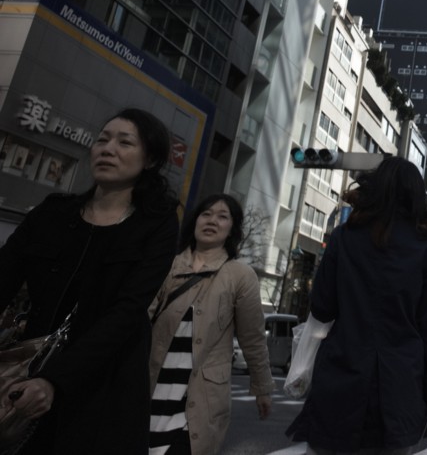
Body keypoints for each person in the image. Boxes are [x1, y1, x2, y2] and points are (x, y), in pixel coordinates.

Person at [0, 108, 179, 453]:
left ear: (150, 159)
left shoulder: (156, 225)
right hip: (28, 375)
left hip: (106, 386)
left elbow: (127, 311)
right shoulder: (53, 212)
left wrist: (55, 382)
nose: (107, 149)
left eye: (124, 143)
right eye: (102, 139)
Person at [286, 156, 427, 454]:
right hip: (401, 379)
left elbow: (323, 306)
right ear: (417, 195)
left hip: (343, 369)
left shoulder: (345, 236)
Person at [147, 193, 274, 454]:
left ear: (232, 230)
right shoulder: (167, 266)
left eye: (222, 216)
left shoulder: (239, 275)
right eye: (206, 214)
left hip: (199, 400)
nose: (212, 220)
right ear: (194, 222)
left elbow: (252, 339)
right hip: (149, 388)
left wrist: (262, 388)